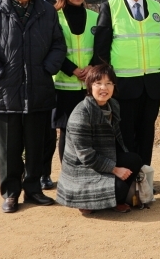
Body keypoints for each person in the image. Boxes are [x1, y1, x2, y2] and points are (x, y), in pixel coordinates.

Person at [0, 0, 67, 213]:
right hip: (4, 91)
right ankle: (11, 193)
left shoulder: (46, 11)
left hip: (39, 89)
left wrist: (47, 68)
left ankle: (33, 189)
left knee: (36, 145)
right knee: (9, 148)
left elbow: (58, 44)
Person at [92, 0, 160, 166]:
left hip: (152, 85)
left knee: (147, 134)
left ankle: (144, 180)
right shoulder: (110, 7)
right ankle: (129, 183)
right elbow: (101, 50)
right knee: (125, 135)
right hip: (123, 85)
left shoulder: (156, 7)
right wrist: (105, 83)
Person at [56, 64, 143, 215]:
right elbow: (86, 156)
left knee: (134, 160)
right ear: (89, 86)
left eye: (108, 83)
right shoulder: (81, 114)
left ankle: (114, 200)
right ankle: (85, 200)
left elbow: (118, 140)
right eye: (98, 83)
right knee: (120, 187)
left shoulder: (113, 105)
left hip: (102, 159)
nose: (104, 88)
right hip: (82, 170)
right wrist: (115, 170)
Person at [52, 0, 96, 164]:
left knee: (89, 130)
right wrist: (71, 69)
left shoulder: (95, 17)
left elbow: (102, 48)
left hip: (90, 85)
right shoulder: (54, 16)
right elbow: (50, 48)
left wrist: (91, 68)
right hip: (64, 84)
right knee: (67, 131)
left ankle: (88, 174)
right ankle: (68, 175)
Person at [28, 0, 57, 189]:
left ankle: (44, 174)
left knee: (48, 132)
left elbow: (59, 43)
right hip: (17, 81)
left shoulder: (55, 7)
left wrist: (49, 68)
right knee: (21, 132)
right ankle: (25, 175)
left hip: (48, 79)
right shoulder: (8, 4)